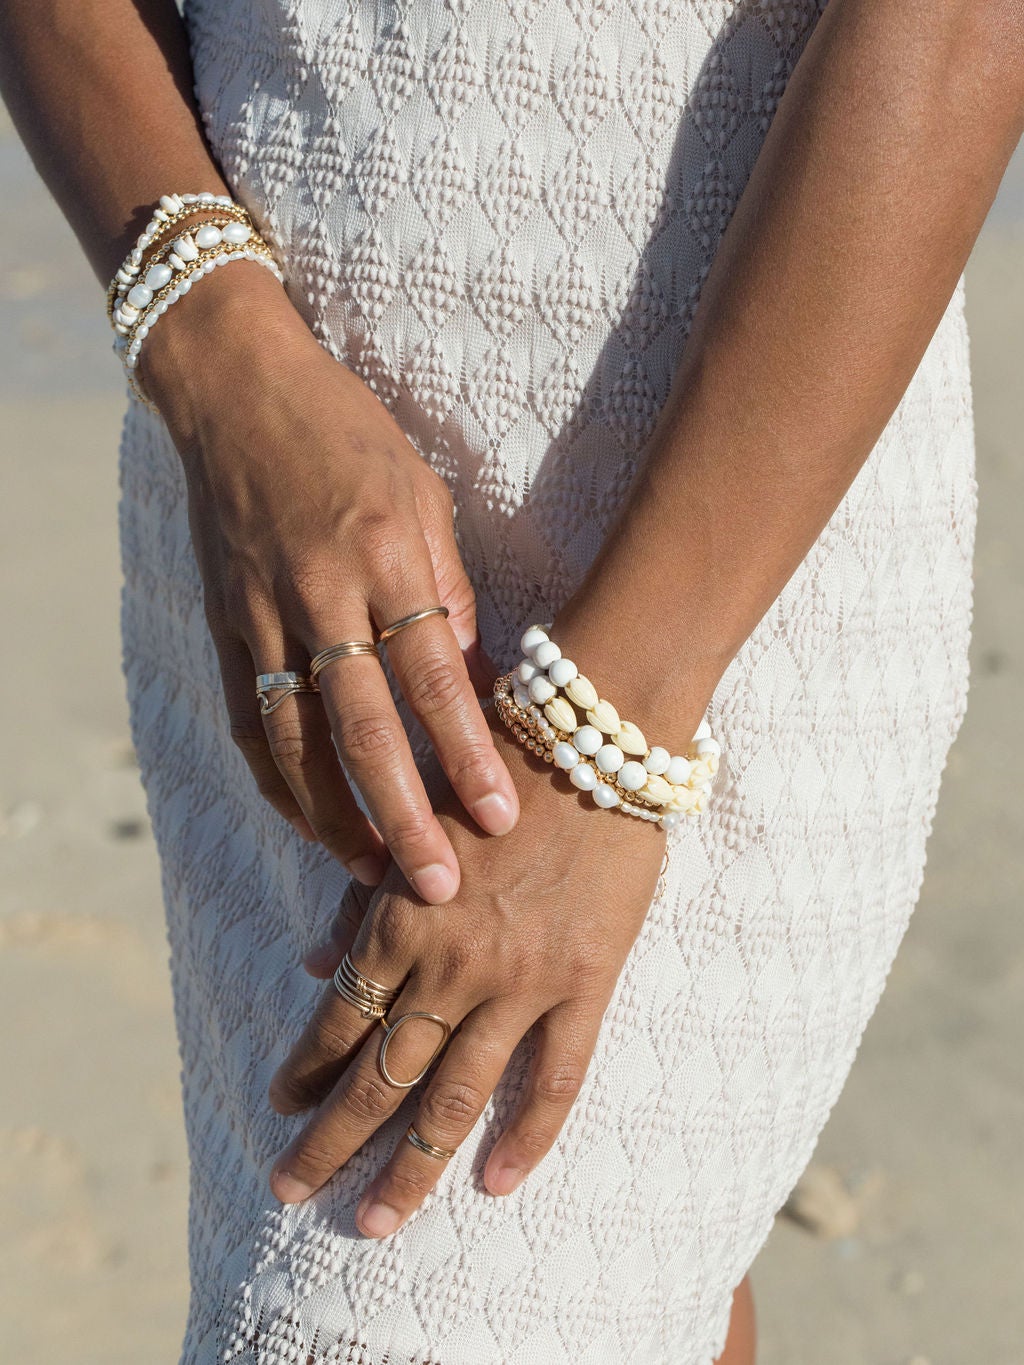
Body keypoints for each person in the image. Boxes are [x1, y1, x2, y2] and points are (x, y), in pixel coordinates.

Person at [2, 1, 1020, 1361]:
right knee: (638, 1301)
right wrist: (213, 349)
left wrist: (608, 732)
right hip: (260, 493)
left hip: (718, 525)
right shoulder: (236, 423)